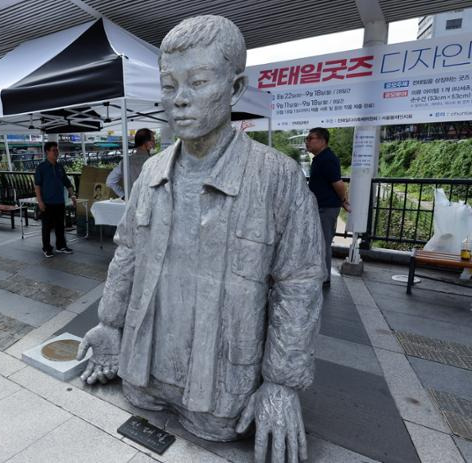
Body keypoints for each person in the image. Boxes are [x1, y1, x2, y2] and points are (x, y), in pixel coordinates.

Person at [77, 15, 325, 463]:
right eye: (169, 86)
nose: (180, 101)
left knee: (214, 424)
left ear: (233, 88)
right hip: (142, 371)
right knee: (140, 397)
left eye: (198, 82)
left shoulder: (276, 177)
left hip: (220, 391)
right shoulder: (151, 171)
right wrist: (110, 325)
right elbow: (128, 253)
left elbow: (300, 283)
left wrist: (282, 385)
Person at [305, 127, 351, 286]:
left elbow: (338, 183)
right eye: (307, 138)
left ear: (323, 141)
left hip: (326, 208)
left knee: (323, 242)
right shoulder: (319, 158)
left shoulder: (327, 159)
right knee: (318, 242)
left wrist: (343, 200)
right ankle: (319, 273)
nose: (307, 141)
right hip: (320, 207)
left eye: (311, 138)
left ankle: (324, 278)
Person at [34, 141, 77, 258]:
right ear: (47, 152)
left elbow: (67, 182)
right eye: (54, 150)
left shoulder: (59, 166)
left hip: (59, 201)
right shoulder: (41, 167)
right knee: (47, 227)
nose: (56, 152)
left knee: (60, 226)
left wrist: (72, 195)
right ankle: (47, 248)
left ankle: (61, 246)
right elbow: (37, 186)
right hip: (47, 202)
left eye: (57, 150)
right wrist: (40, 202)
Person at [106, 128, 155, 199]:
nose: (154, 142)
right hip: (148, 203)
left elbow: (110, 181)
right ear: (147, 143)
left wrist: (123, 195)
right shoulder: (152, 161)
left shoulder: (124, 162)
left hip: (130, 203)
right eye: (153, 140)